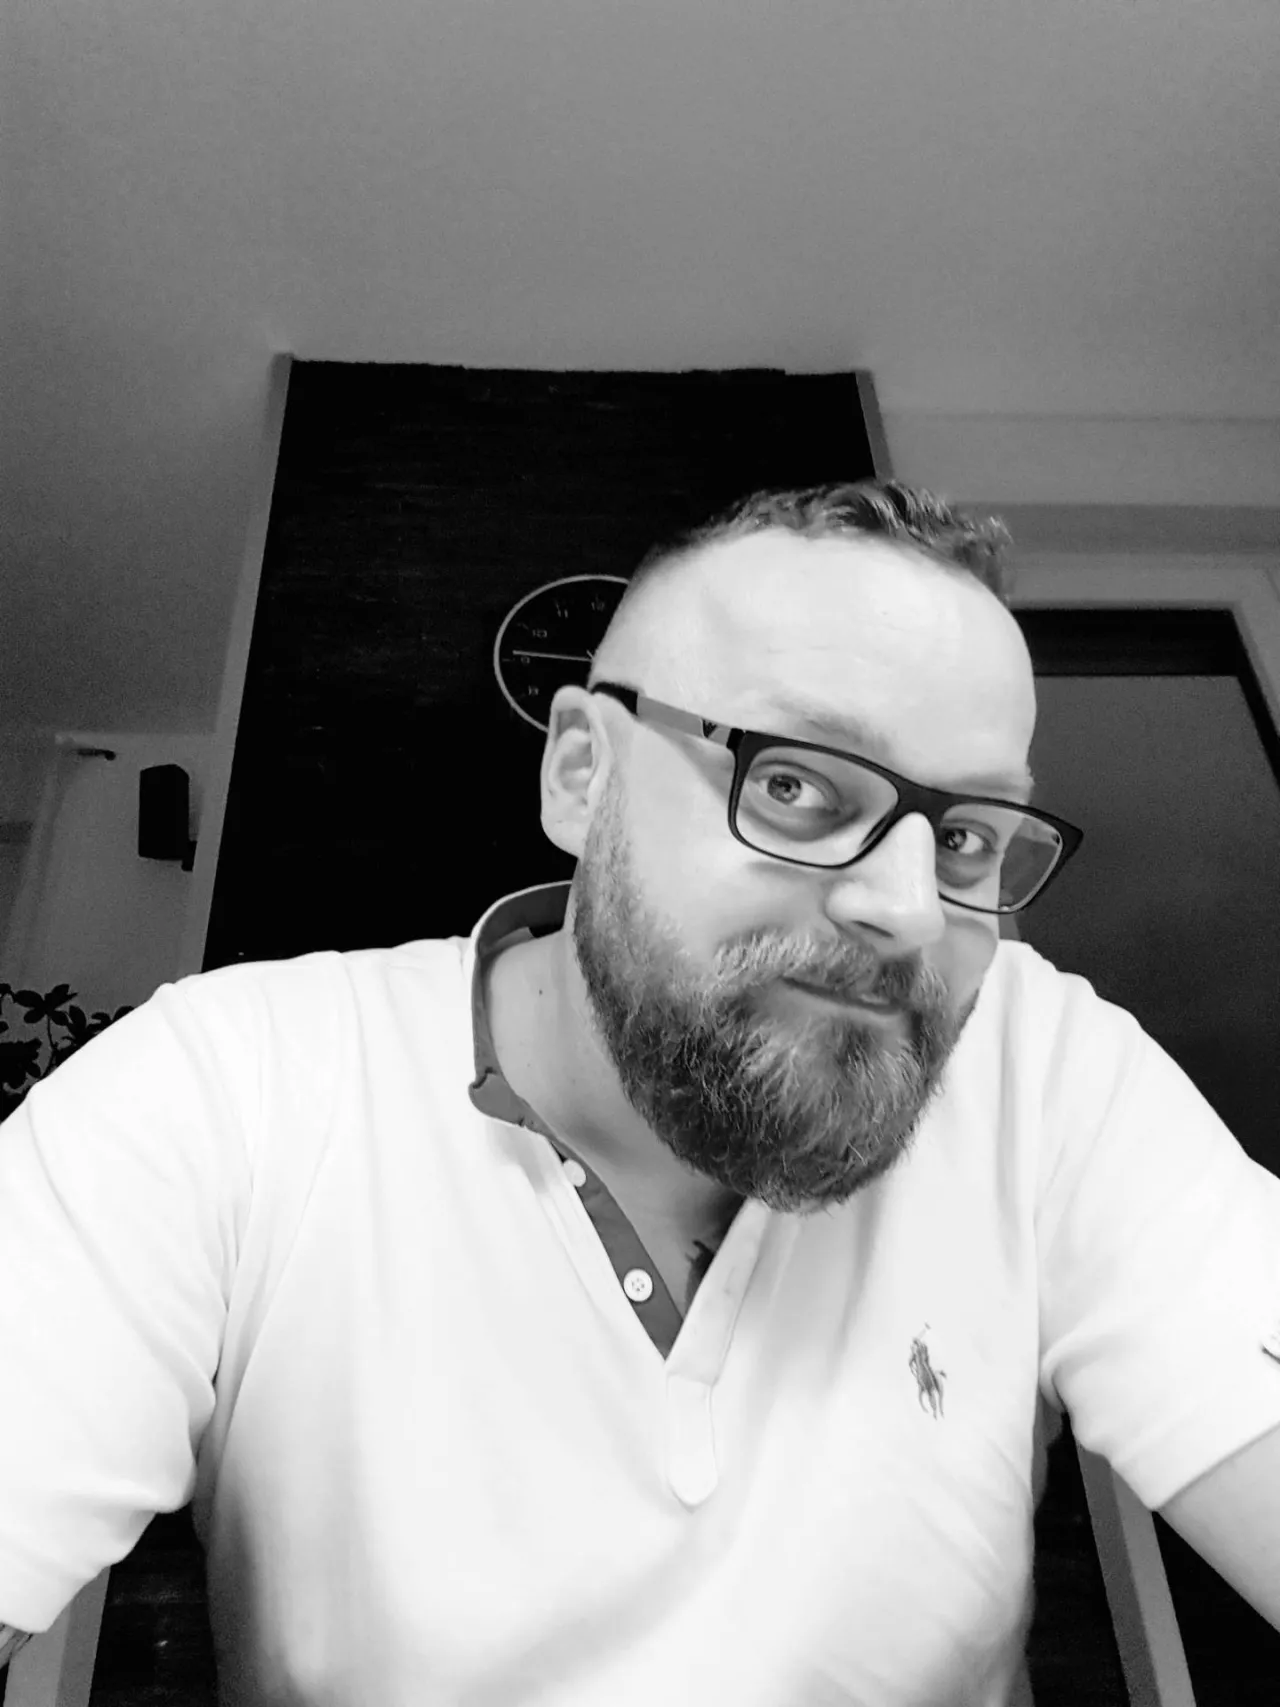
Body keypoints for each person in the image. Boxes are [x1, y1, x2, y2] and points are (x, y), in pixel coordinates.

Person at [2, 480, 1279, 1707]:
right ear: (580, 773)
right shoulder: (234, 1091)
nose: (903, 909)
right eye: (794, 784)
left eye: (963, 838)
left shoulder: (1036, 1067)